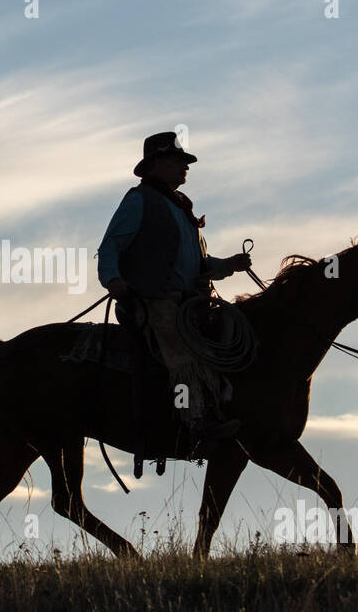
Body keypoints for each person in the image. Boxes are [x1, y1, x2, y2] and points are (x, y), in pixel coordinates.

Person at [97, 131, 249, 443]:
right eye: (176, 161)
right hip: (154, 301)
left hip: (191, 301)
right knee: (183, 355)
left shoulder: (182, 209)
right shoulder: (139, 200)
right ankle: (197, 424)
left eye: (185, 162)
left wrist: (228, 265)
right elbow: (111, 246)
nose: (185, 167)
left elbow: (197, 265)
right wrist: (113, 280)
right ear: (155, 166)